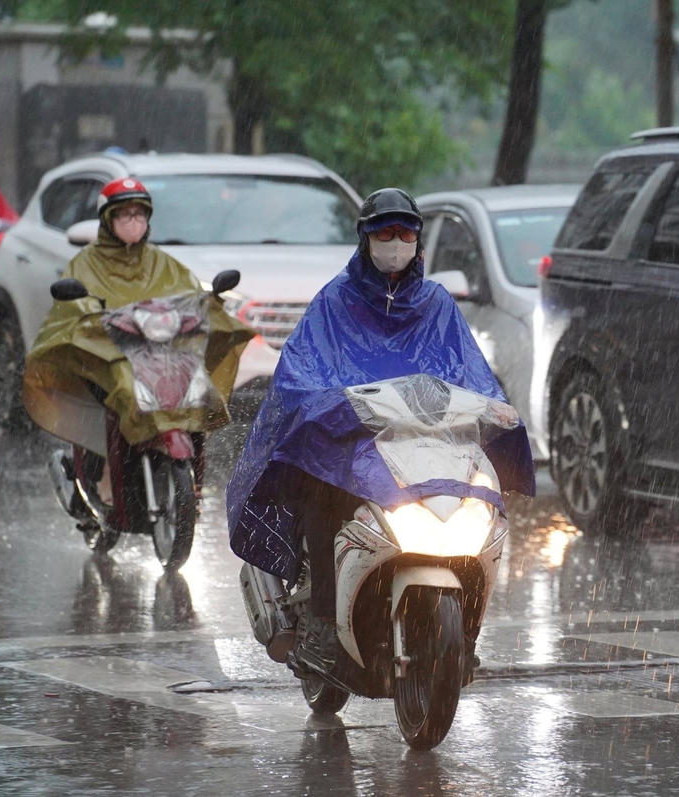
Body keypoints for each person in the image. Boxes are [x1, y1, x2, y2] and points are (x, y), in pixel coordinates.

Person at [225, 187, 535, 677]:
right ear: (366, 238)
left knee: (481, 502)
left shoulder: (435, 303)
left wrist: (494, 407)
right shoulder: (334, 302)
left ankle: (466, 633)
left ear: (418, 240)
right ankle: (325, 621)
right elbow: (302, 371)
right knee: (326, 496)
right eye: (385, 232)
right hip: (354, 443)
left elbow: (470, 371)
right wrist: (328, 407)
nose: (395, 242)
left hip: (426, 443)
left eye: (405, 232)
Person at [23, 177, 247, 531]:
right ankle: (95, 481)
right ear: (108, 220)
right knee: (118, 399)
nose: (133, 222)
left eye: (139, 214)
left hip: (160, 357)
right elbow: (72, 311)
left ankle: (189, 485)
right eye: (124, 214)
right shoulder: (86, 264)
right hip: (110, 360)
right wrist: (92, 320)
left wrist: (209, 302)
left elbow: (190, 296)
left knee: (198, 393)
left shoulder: (162, 263)